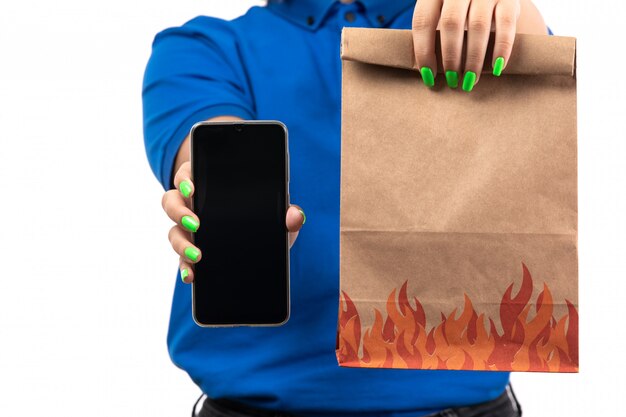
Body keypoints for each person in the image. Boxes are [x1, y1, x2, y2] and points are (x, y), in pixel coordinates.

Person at [142, 1, 552, 416]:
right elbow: (208, 145)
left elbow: (540, 99)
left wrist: (506, 9)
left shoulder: (467, 23)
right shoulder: (201, 48)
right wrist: (224, 203)